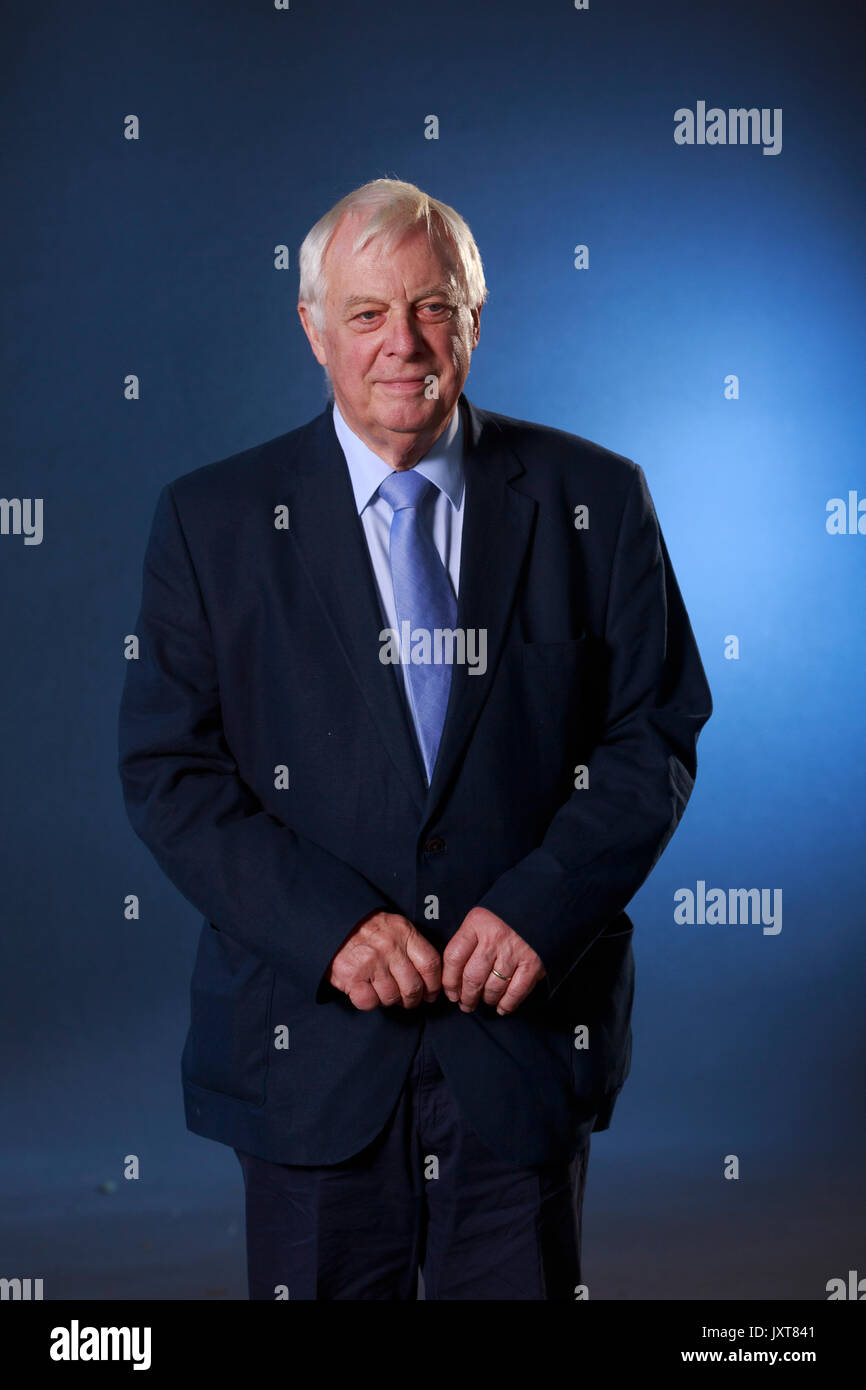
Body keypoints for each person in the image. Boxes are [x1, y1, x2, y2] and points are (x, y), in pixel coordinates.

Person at [118, 176, 713, 1300]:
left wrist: (542, 906)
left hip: (519, 1037)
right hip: (310, 1046)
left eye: (433, 306)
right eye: (365, 313)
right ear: (311, 327)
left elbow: (654, 728)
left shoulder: (597, 498)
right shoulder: (214, 522)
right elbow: (169, 770)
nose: (404, 343)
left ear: (474, 321)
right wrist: (330, 928)